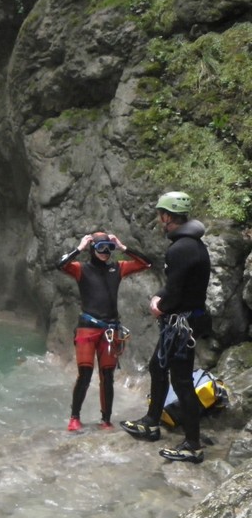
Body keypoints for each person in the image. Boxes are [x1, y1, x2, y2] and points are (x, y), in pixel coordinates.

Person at [120, 192, 212, 464]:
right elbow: (177, 284)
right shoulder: (192, 245)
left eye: (161, 215)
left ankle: (193, 445)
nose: (160, 220)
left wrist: (159, 305)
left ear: (168, 216)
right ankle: (151, 421)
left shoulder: (180, 248)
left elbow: (174, 291)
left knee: (181, 381)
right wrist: (162, 297)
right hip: (184, 321)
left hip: (181, 324)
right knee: (157, 368)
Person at [57, 231, 152, 431]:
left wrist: (123, 246)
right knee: (84, 373)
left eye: (108, 248)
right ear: (92, 249)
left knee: (107, 375)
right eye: (101, 248)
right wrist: (79, 248)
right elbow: (60, 265)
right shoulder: (81, 269)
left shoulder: (117, 268)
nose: (105, 252)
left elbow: (146, 264)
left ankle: (106, 420)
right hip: (87, 328)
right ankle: (74, 417)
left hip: (110, 329)